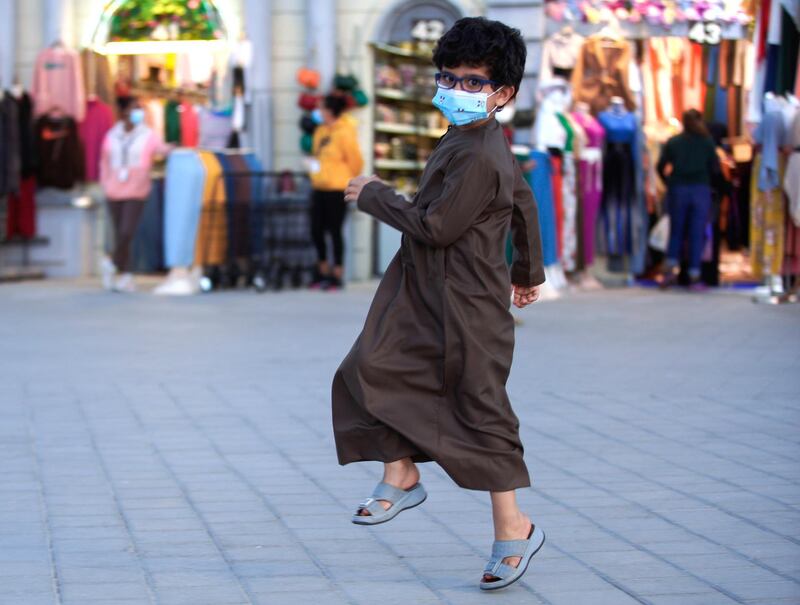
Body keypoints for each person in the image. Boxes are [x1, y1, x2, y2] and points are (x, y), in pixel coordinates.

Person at [332, 18, 546, 591]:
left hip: (467, 303)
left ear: (504, 94)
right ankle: (400, 473)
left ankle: (514, 529)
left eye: (473, 82)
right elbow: (523, 203)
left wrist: (375, 196)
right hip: (425, 293)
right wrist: (529, 271)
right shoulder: (469, 139)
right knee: (368, 368)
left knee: (480, 408)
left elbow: (438, 225)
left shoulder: (479, 151)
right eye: (447, 77)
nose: (455, 89)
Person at [99, 96, 169, 292]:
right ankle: (125, 275)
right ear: (123, 112)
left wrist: (174, 150)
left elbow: (161, 149)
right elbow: (104, 162)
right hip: (114, 188)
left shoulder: (148, 135)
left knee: (126, 231)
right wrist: (105, 184)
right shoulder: (112, 135)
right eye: (134, 108)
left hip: (137, 189)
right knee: (121, 233)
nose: (139, 112)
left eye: (140, 109)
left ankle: (111, 262)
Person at [657, 109, 720, 291]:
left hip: (678, 189)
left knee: (676, 231)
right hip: (700, 189)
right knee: (696, 232)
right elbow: (714, 167)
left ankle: (669, 273)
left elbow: (661, 165)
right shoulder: (707, 142)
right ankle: (694, 275)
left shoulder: (674, 142)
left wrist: (669, 181)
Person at [308, 94, 364, 291]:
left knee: (334, 231)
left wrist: (346, 178)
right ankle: (322, 269)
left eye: (322, 108)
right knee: (316, 229)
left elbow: (356, 161)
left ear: (330, 111)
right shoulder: (321, 131)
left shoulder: (345, 132)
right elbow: (316, 155)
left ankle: (337, 273)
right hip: (319, 186)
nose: (318, 112)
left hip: (337, 188)